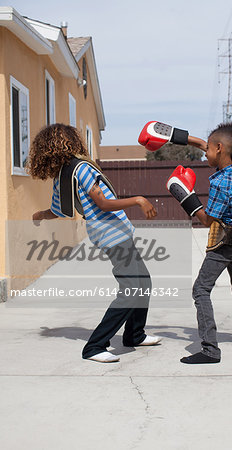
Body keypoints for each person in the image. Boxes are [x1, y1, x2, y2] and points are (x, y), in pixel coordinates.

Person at [27, 123, 162, 363]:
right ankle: (95, 346)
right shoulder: (82, 169)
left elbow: (58, 211)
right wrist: (139, 200)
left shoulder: (63, 175)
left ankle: (134, 334)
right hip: (112, 233)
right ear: (71, 143)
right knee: (131, 289)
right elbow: (103, 203)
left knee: (143, 281)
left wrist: (39, 215)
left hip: (108, 232)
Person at [167, 123, 232, 364]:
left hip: (227, 241)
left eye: (209, 150)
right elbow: (206, 143)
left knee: (200, 289)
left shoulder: (221, 184)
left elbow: (208, 221)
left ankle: (211, 350)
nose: (205, 153)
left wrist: (184, 195)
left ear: (220, 148)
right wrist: (173, 135)